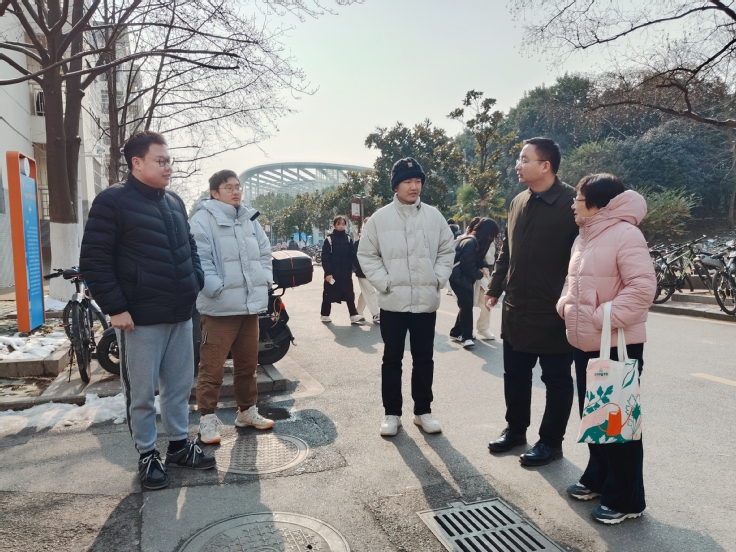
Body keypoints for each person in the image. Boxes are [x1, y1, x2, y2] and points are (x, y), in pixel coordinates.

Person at [80, 131, 215, 491]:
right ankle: (147, 454)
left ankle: (178, 446)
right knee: (141, 393)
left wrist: (195, 280)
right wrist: (116, 308)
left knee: (179, 387)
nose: (168, 167)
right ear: (136, 163)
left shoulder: (174, 202)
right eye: (161, 160)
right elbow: (94, 260)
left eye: (169, 160)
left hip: (180, 313)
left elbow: (189, 246)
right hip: (139, 319)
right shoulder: (112, 202)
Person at [557, 174, 655, 524]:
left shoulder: (626, 234)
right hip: (586, 343)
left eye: (578, 198)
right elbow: (572, 282)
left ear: (598, 203)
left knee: (617, 423)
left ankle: (627, 499)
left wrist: (601, 317)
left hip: (616, 344)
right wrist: (565, 305)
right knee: (595, 417)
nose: (573, 204)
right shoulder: (584, 236)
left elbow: (642, 288)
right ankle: (598, 478)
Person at [485, 137, 579, 466]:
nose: (518, 165)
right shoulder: (518, 202)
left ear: (545, 165)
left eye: (525, 159)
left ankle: (551, 442)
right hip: (516, 308)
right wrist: (495, 288)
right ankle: (515, 431)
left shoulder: (572, 204)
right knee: (515, 374)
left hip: (555, 311)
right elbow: (506, 253)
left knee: (556, 380)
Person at [358, 157, 455, 436]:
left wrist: (437, 278)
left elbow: (447, 250)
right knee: (392, 359)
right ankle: (391, 414)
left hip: (425, 302)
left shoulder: (434, 216)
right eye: (408, 181)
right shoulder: (379, 219)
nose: (414, 186)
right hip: (393, 302)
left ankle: (423, 411)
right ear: (395, 186)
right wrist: (385, 283)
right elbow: (367, 254)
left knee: (424, 358)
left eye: (418, 181)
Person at [190, 170, 275, 445]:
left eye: (238, 186)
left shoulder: (249, 218)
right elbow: (199, 259)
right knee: (212, 368)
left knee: (248, 365)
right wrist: (216, 288)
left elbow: (264, 251)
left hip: (249, 306)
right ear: (214, 192)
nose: (236, 191)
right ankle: (207, 419)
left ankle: (246, 411)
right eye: (229, 187)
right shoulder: (202, 220)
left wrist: (265, 278)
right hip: (219, 308)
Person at [449, 218, 500, 348]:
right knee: (466, 305)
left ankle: (456, 332)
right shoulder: (471, 242)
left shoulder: (473, 241)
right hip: (458, 278)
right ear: (487, 232)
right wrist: (480, 273)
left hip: (461, 278)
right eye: (492, 234)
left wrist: (483, 267)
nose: (493, 238)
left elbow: (478, 259)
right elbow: (467, 265)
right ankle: (466, 337)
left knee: (466, 305)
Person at [321, 215, 363, 324]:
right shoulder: (329, 239)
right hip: (333, 274)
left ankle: (353, 315)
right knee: (328, 293)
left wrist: (358, 267)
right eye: (338, 224)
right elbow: (325, 258)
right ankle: (325, 315)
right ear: (334, 225)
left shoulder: (348, 239)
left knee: (349, 294)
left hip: (345, 273)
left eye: (343, 224)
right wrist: (328, 273)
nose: (341, 226)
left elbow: (353, 256)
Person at [353, 216, 380, 324]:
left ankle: (357, 313)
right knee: (370, 291)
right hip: (362, 272)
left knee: (365, 293)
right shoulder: (359, 241)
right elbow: (355, 258)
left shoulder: (376, 240)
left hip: (374, 271)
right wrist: (359, 268)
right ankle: (376, 314)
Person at [474, 225, 497, 341]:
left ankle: (483, 328)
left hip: (484, 275)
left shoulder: (489, 241)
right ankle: (464, 330)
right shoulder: (473, 240)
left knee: (486, 303)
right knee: (466, 306)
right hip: (472, 276)